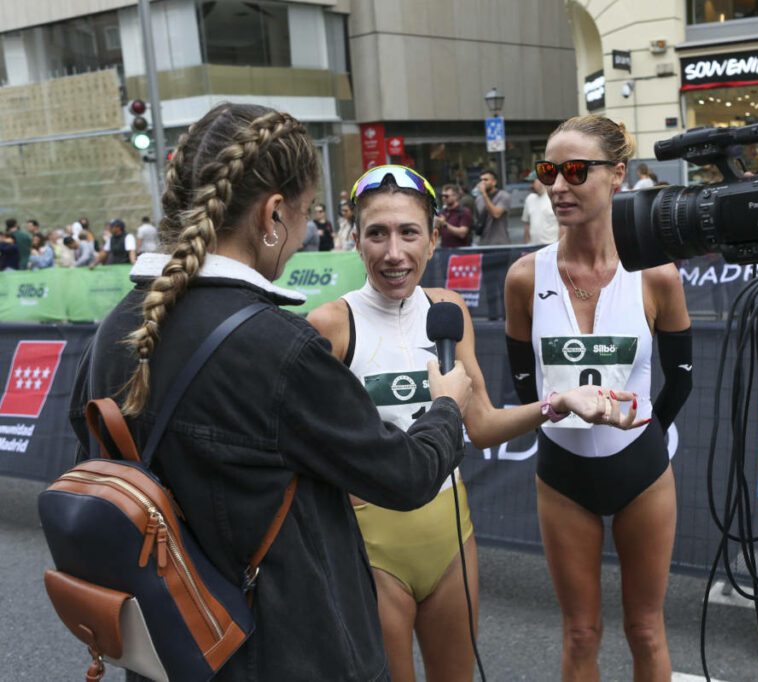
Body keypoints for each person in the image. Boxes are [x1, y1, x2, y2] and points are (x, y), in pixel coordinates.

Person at [67, 104, 472, 681]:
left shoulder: (118, 324)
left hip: (169, 643)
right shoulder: (276, 346)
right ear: (274, 213)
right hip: (287, 647)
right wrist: (447, 407)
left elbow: (88, 458)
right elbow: (404, 474)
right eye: (307, 214)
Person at [307, 164, 645, 682]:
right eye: (377, 233)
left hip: (450, 533)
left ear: (435, 237)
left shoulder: (447, 311)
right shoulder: (330, 324)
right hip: (371, 543)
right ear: (355, 238)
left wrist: (559, 403)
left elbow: (482, 424)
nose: (393, 252)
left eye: (408, 232)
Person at [505, 116, 694, 680]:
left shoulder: (657, 274)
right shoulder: (523, 277)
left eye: (575, 172)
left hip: (642, 472)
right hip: (563, 475)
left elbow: (680, 377)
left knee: (646, 630)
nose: (558, 186)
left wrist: (645, 431)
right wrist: (556, 413)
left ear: (617, 176)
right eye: (548, 172)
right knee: (581, 634)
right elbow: (522, 382)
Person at [522, 170, 560, 245]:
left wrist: (559, 248)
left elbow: (563, 226)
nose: (531, 186)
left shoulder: (554, 198)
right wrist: (526, 244)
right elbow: (526, 223)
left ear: (542, 181)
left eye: (533, 182)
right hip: (533, 247)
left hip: (551, 245)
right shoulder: (529, 199)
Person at [474, 170, 511, 245]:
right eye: (481, 180)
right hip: (483, 243)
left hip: (500, 243)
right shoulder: (478, 199)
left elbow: (496, 214)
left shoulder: (503, 196)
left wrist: (484, 194)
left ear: (494, 182)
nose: (482, 183)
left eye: (486, 180)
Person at [435, 183, 473, 248]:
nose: (444, 198)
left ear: (456, 196)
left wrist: (444, 224)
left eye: (446, 196)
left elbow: (462, 233)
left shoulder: (464, 212)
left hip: (461, 251)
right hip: (444, 250)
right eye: (442, 196)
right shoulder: (443, 212)